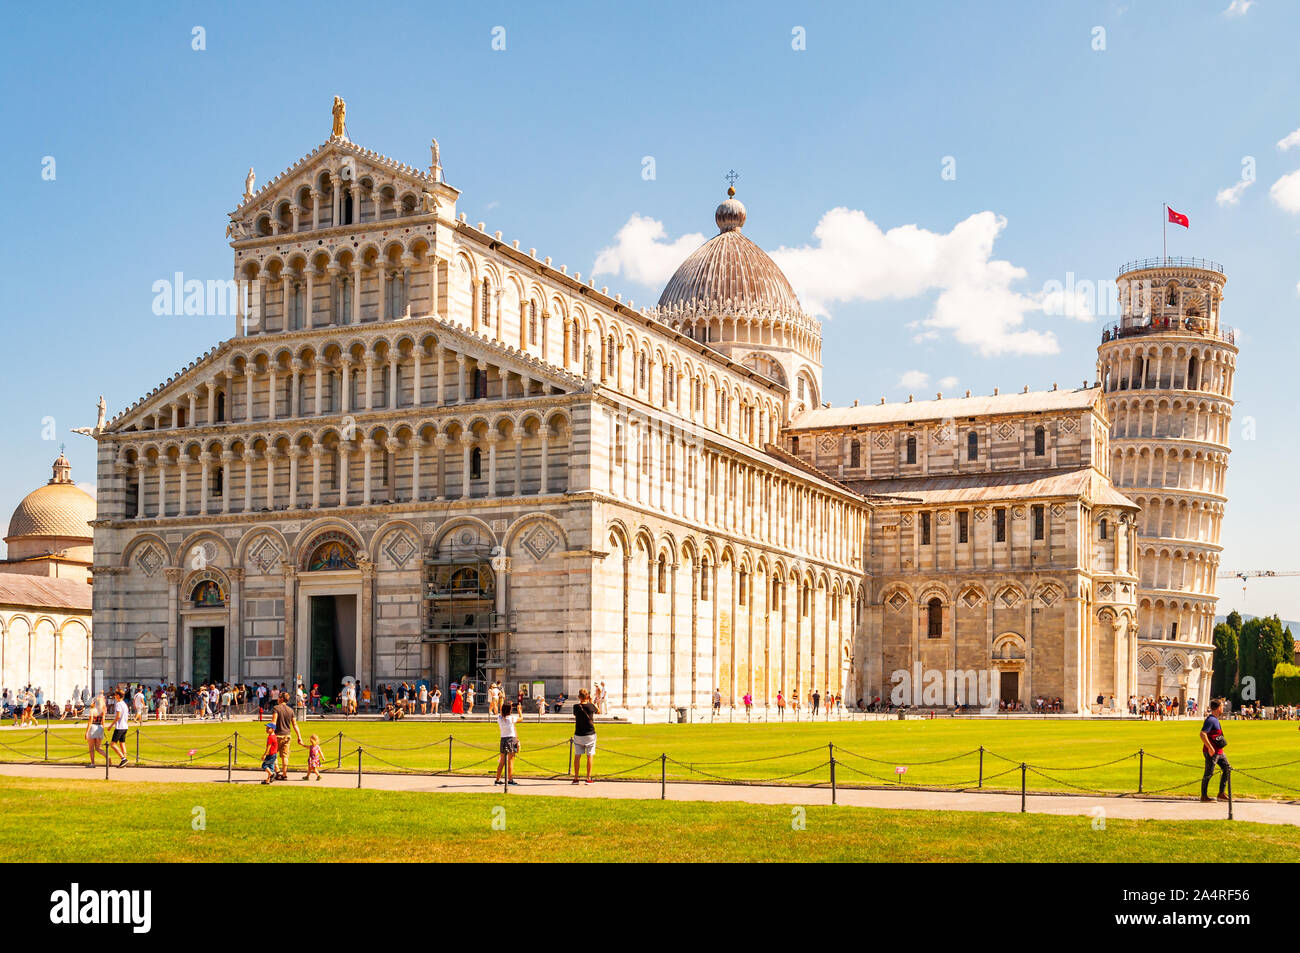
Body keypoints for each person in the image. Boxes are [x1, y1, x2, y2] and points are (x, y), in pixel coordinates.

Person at [1200, 698, 1231, 803]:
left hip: (1219, 751)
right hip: (1212, 752)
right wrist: (1210, 747)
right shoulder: (1211, 720)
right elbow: (1202, 734)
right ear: (1218, 708)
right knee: (1209, 773)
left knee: (1227, 769)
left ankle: (1221, 793)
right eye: (1222, 706)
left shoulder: (1215, 720)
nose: (1223, 708)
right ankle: (1204, 796)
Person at [272, 692, 305, 780]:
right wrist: (299, 737)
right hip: (287, 735)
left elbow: (274, 722)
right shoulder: (290, 710)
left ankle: (278, 772)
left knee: (273, 754)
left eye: (279, 697)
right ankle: (284, 774)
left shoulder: (276, 708)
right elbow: (295, 725)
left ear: (282, 699)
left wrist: (270, 731)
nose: (278, 698)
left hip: (277, 735)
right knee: (285, 756)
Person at [571, 689, 598, 784]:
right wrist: (591, 701)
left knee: (577, 756)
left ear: (579, 697)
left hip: (578, 734)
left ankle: (576, 778)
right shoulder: (591, 706)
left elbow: (575, 714)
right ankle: (588, 778)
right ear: (587, 696)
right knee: (589, 756)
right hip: (590, 734)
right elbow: (598, 711)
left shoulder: (576, 707)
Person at [495, 700, 521, 786]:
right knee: (511, 761)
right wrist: (519, 710)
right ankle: (510, 779)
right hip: (511, 739)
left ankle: (497, 779)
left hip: (503, 739)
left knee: (502, 761)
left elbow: (502, 712)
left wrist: (504, 704)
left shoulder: (499, 718)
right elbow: (521, 718)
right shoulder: (511, 718)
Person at [109, 689, 130, 768]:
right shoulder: (125, 704)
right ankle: (124, 762)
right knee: (122, 744)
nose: (114, 696)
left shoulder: (118, 704)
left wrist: (111, 725)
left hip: (119, 727)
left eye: (115, 695)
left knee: (113, 744)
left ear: (118, 695)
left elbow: (118, 716)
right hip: (125, 726)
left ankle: (123, 759)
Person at [85, 694, 105, 766]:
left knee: (91, 748)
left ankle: (92, 763)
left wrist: (86, 732)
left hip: (93, 727)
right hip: (100, 727)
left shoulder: (92, 710)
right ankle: (107, 757)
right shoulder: (102, 711)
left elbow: (90, 721)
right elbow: (103, 721)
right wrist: (103, 730)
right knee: (98, 748)